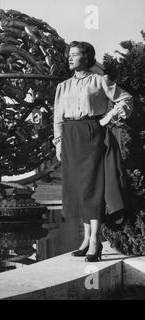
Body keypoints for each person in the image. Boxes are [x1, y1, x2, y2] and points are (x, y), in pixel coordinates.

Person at [53, 41, 133, 262]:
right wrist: (59, 142)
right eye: (69, 54)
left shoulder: (100, 81)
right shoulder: (63, 86)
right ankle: (86, 239)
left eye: (75, 54)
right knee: (78, 189)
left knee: (92, 188)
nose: (70, 58)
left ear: (86, 58)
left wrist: (106, 119)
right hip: (70, 137)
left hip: (92, 134)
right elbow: (58, 118)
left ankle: (96, 242)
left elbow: (126, 99)